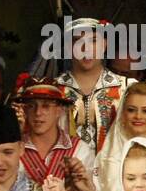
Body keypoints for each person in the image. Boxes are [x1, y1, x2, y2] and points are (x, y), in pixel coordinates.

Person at [54, 17, 138, 153]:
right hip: (64, 171)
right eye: (78, 41)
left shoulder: (128, 88)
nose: (86, 48)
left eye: (93, 40)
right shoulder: (54, 90)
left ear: (104, 45)